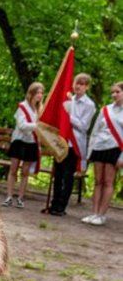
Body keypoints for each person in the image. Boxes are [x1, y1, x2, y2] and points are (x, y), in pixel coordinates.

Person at [47, 72, 96, 216]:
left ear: (87, 87)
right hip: (61, 142)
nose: (78, 86)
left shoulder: (89, 105)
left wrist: (70, 115)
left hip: (74, 143)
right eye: (76, 83)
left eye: (82, 84)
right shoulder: (68, 99)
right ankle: (54, 203)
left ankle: (61, 206)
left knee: (68, 176)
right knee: (58, 174)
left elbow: (84, 126)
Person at [82, 82, 123, 225]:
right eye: (113, 92)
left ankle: (102, 214)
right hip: (99, 147)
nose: (114, 95)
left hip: (115, 148)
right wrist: (90, 152)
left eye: (117, 92)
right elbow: (94, 132)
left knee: (108, 181)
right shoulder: (106, 110)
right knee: (98, 181)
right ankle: (94, 213)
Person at [3, 81, 44, 208]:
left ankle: (20, 198)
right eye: (37, 92)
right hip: (19, 141)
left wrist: (39, 144)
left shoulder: (40, 110)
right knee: (13, 169)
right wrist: (36, 126)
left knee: (25, 171)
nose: (40, 95)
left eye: (41, 93)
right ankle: (9, 196)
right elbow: (21, 125)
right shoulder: (22, 107)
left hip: (31, 142)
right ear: (31, 93)